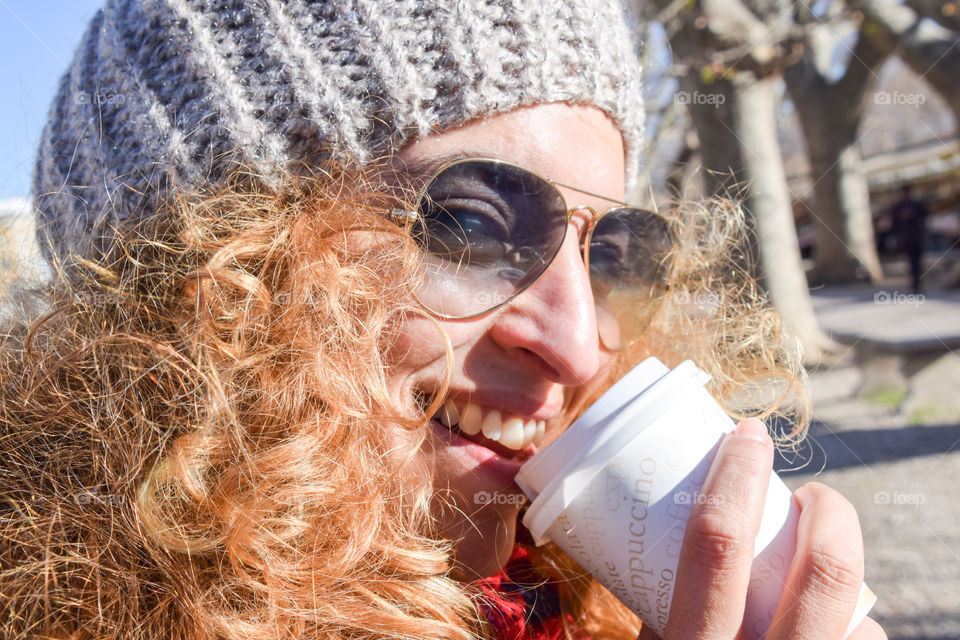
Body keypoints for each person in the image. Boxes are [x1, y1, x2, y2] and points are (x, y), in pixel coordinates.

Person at [0, 1, 886, 639]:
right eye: (472, 224)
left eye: (609, 250)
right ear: (211, 275)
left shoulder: (581, 609)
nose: (578, 349)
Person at [889, 184, 929, 294]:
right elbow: (894, 223)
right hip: (905, 238)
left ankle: (917, 284)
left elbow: (925, 216)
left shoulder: (917, 205)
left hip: (917, 237)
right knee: (910, 262)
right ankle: (913, 283)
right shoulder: (898, 207)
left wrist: (913, 214)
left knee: (917, 261)